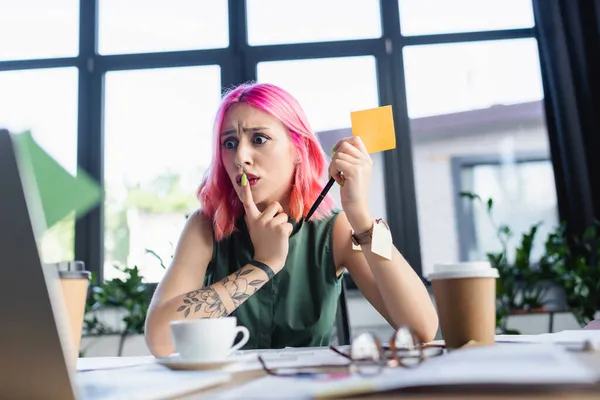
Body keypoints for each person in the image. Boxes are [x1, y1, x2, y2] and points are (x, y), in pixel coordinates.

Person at [145, 82, 438, 357]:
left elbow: (422, 329)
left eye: (259, 139)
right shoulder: (205, 225)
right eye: (230, 143)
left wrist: (361, 215)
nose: (241, 157)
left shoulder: (333, 228)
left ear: (299, 150)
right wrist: (263, 266)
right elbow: (159, 339)